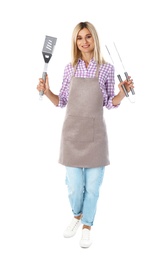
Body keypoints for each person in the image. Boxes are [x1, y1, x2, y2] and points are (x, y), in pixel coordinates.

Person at [37, 21, 134, 248]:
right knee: (73, 186)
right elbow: (61, 101)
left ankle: (87, 226)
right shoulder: (69, 68)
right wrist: (46, 90)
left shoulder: (107, 69)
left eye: (88, 37)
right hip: (71, 135)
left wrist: (122, 93)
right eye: (79, 38)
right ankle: (77, 215)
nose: (84, 42)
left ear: (94, 39)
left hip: (96, 136)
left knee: (92, 187)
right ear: (75, 42)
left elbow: (111, 103)